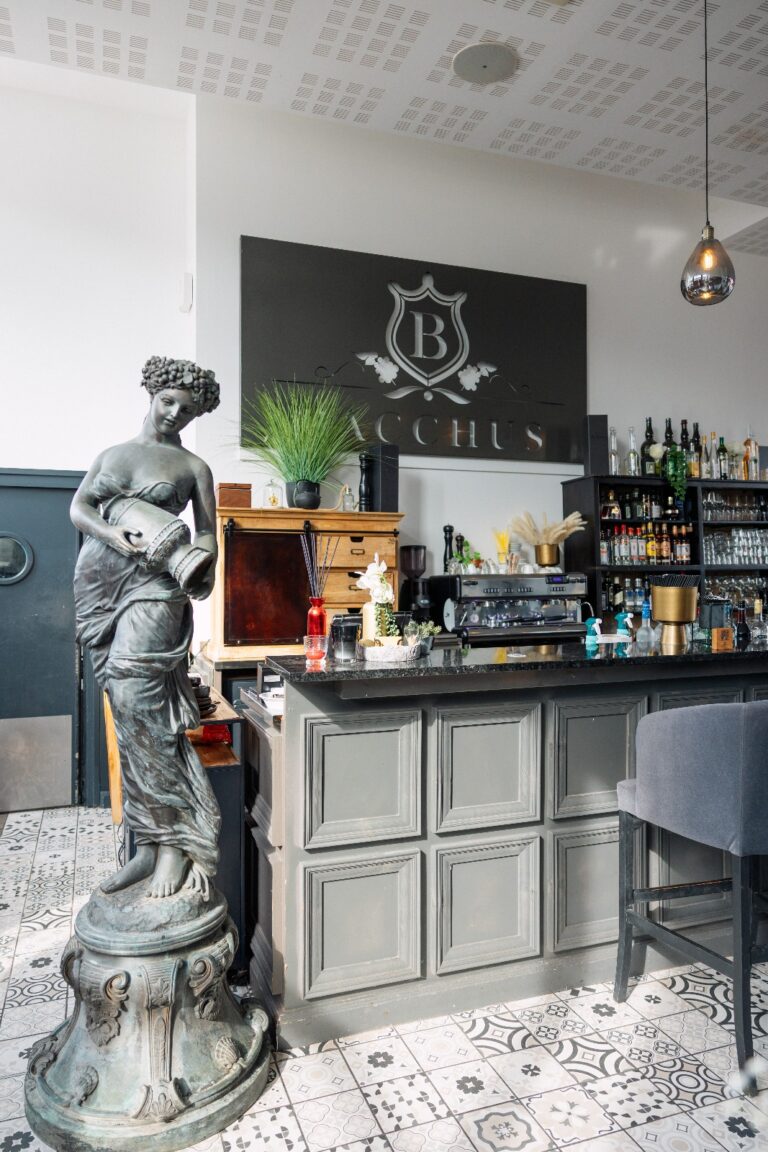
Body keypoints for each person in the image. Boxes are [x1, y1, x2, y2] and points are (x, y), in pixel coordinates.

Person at [71, 356, 221, 900]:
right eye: (168, 402)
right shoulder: (113, 455)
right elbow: (80, 508)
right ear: (152, 395)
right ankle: (149, 844)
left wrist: (201, 567)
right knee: (126, 714)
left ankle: (177, 842)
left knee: (144, 706)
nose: (175, 413)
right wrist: (113, 536)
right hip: (100, 582)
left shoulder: (194, 467)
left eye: (187, 409)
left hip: (158, 585)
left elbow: (207, 533)